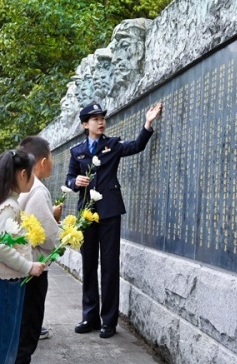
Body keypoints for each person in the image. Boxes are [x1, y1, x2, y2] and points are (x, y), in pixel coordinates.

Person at [65, 101, 163, 338]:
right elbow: (69, 178)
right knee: (89, 265)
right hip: (86, 214)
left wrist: (148, 123)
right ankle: (89, 317)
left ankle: (108, 321)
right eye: (95, 119)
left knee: (109, 266)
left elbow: (137, 146)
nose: (101, 122)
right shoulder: (77, 151)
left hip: (109, 212)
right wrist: (75, 182)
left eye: (102, 118)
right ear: (85, 124)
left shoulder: (113, 145)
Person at [0, 150, 47, 364]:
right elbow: (1, 247)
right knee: (1, 347)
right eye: (31, 174)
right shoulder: (9, 206)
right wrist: (28, 266)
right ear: (23, 174)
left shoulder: (2, 202)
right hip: (3, 284)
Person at [15, 136, 62, 364]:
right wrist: (63, 236)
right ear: (43, 162)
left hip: (19, 265)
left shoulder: (20, 183)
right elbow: (47, 236)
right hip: (33, 268)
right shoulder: (37, 189)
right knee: (28, 329)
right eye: (51, 157)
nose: (52, 161)